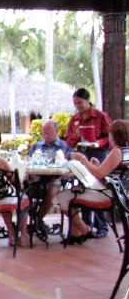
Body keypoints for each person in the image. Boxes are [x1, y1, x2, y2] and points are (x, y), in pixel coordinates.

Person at [55, 119, 129, 245]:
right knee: (72, 191)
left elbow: (99, 174)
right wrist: (97, 165)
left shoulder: (116, 152)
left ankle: (85, 230)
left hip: (106, 194)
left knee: (62, 196)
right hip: (113, 192)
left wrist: (83, 159)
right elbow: (107, 173)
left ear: (113, 135)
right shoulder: (125, 151)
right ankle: (76, 234)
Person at [66, 88, 112, 238]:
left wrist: (98, 143)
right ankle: (86, 225)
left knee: (97, 188)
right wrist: (76, 135)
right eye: (75, 103)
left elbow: (109, 136)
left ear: (87, 101)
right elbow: (69, 142)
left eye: (80, 102)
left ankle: (102, 226)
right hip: (82, 154)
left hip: (98, 154)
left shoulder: (100, 116)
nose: (78, 106)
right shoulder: (74, 119)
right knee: (83, 188)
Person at [27, 120, 71, 222]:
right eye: (44, 133)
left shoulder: (63, 146)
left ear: (57, 131)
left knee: (52, 190)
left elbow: (69, 166)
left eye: (49, 133)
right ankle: (33, 220)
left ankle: (37, 220)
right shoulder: (37, 146)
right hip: (36, 180)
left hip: (55, 179)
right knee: (20, 190)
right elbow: (28, 161)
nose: (46, 136)